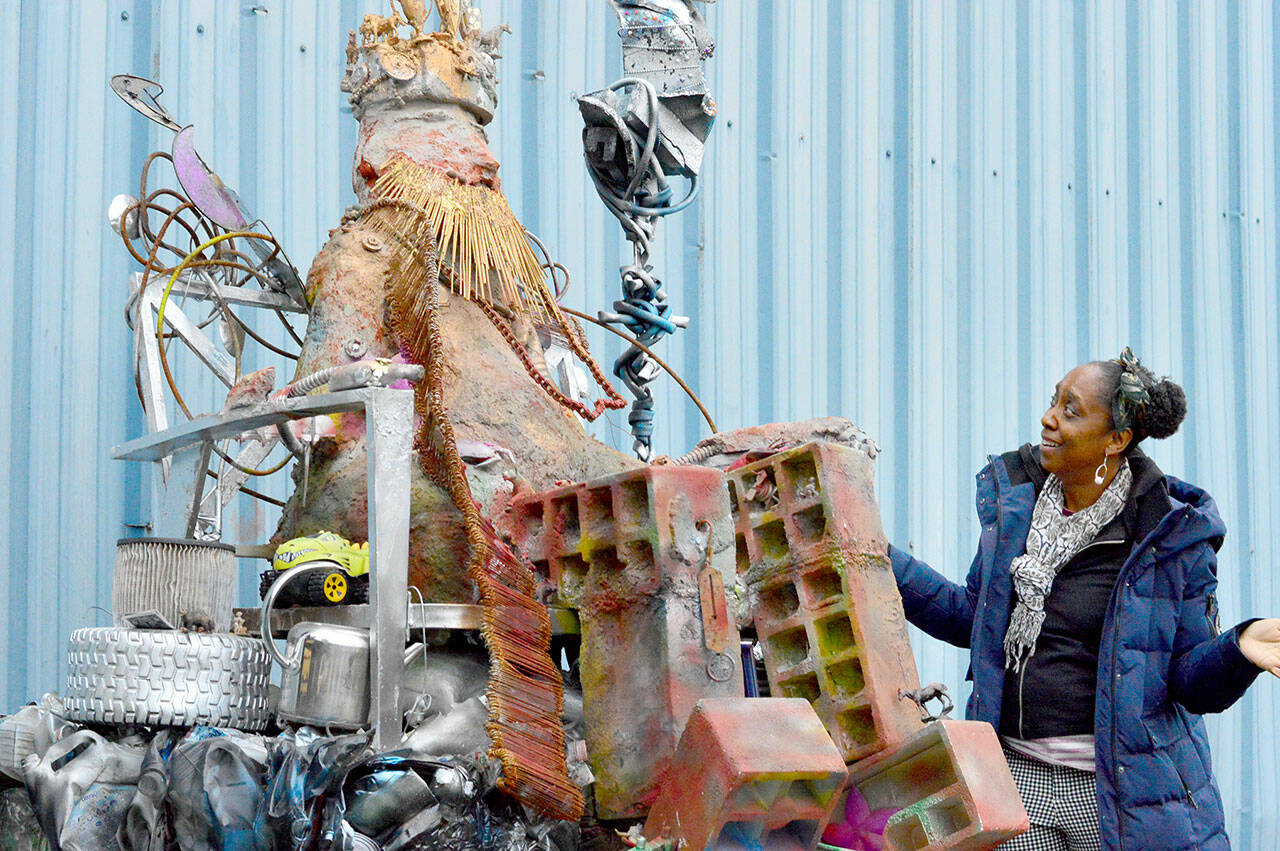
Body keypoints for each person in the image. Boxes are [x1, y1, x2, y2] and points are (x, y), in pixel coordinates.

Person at [888, 349, 1280, 850]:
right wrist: (881, 560)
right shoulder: (1018, 510)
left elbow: (1187, 680)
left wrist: (1238, 649)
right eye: (1054, 401)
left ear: (1116, 441)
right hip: (1016, 778)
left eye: (1071, 411)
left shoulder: (1167, 535)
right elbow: (975, 620)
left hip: (1112, 794)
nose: (1049, 418)